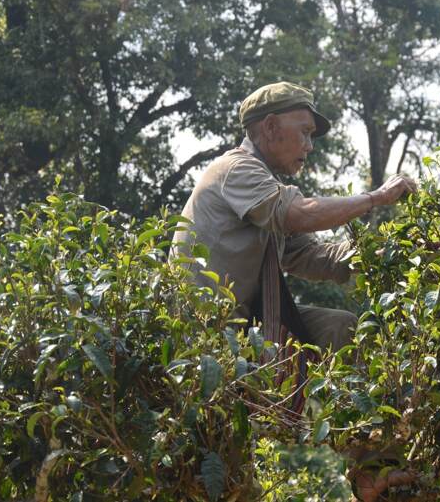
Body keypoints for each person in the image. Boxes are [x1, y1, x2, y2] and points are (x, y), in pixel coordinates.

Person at [170, 81, 416, 354]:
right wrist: (377, 197)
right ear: (271, 126)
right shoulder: (236, 169)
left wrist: (388, 250)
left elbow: (313, 257)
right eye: (305, 132)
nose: (309, 146)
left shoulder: (267, 189)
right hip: (204, 331)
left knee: (341, 327)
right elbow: (300, 214)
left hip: (247, 326)